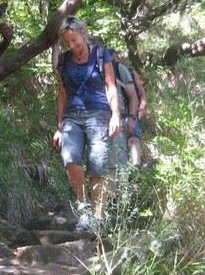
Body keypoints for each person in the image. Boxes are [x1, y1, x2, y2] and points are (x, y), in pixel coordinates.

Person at [51, 16, 120, 226]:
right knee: (69, 158)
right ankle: (85, 210)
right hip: (72, 115)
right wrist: (59, 126)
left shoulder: (100, 54)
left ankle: (99, 215)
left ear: (84, 34)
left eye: (75, 40)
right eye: (67, 42)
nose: (72, 46)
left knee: (97, 163)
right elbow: (62, 93)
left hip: (98, 113)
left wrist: (115, 114)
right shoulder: (64, 60)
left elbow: (110, 86)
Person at [110, 49, 146, 167]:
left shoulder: (130, 72)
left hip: (132, 110)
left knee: (133, 138)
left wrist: (141, 107)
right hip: (119, 112)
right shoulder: (109, 73)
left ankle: (136, 166)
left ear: (119, 58)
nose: (114, 62)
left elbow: (141, 93)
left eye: (115, 58)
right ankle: (124, 168)